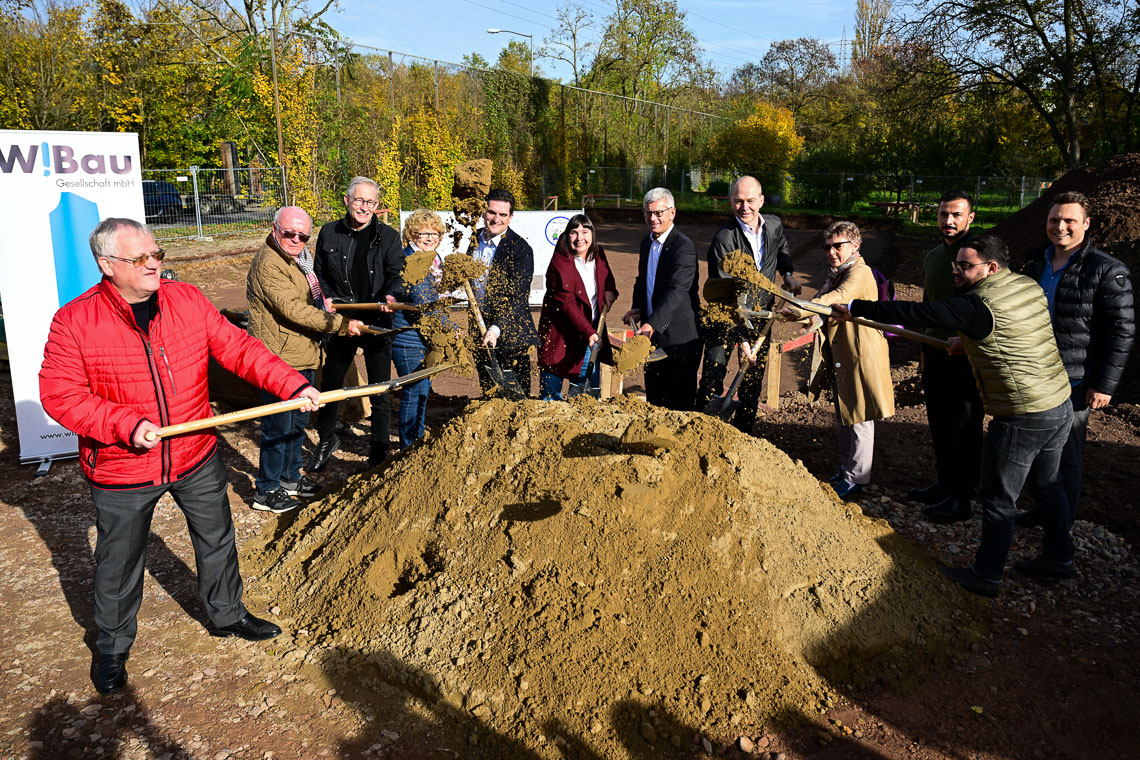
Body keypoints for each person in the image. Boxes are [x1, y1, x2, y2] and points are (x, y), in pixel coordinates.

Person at [39, 218, 322, 695]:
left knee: (216, 539)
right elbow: (61, 396)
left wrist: (290, 384)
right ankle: (111, 645)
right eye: (140, 258)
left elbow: (238, 349)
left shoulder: (186, 300)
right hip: (124, 467)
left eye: (157, 254)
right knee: (120, 560)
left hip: (195, 454)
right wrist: (124, 425)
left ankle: (227, 615)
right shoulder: (75, 322)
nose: (154, 264)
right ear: (107, 266)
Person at [833, 235, 1075, 598]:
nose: (956, 272)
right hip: (1058, 403)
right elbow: (1019, 328)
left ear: (991, 268)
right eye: (955, 264)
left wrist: (854, 306)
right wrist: (972, 341)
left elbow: (918, 313)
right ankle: (1060, 557)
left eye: (965, 266)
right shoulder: (1024, 284)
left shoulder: (975, 304)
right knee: (1048, 486)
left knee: (997, 499)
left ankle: (987, 575)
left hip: (1021, 414)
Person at [1018, 191, 1134, 527]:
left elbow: (1121, 333)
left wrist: (1104, 384)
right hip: (1035, 375)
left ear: (1086, 224)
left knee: (1066, 457)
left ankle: (1060, 529)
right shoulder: (1036, 262)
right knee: (1039, 451)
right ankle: (1044, 512)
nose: (1061, 227)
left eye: (1069, 220)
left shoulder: (1107, 270)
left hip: (1075, 381)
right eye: (1055, 220)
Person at [246, 206, 364, 513]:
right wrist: (338, 324)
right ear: (274, 229)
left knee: (297, 422)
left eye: (303, 235)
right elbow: (293, 310)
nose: (296, 239)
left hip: (302, 353)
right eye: (289, 233)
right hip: (279, 358)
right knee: (277, 426)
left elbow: (310, 298)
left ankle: (289, 478)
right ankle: (266, 490)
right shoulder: (270, 264)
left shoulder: (298, 260)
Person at [777, 222, 894, 500]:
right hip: (845, 353)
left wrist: (800, 309)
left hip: (862, 354)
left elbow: (837, 299)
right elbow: (822, 300)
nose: (831, 252)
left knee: (861, 416)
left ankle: (857, 479)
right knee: (846, 413)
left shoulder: (859, 273)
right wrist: (804, 314)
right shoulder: (837, 274)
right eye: (827, 246)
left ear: (855, 246)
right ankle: (847, 470)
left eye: (837, 246)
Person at [308, 176, 404, 470]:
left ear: (377, 206)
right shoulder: (329, 233)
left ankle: (378, 449)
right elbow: (319, 275)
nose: (364, 207)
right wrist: (324, 300)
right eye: (359, 200)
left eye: (371, 202)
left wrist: (391, 294)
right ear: (347, 200)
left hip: (377, 320)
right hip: (342, 319)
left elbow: (396, 272)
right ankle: (326, 439)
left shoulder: (388, 237)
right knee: (333, 383)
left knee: (379, 388)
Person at [696, 175, 799, 431]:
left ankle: (745, 434)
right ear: (731, 202)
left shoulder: (774, 225)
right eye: (738, 201)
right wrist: (742, 339)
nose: (745, 208)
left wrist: (788, 274)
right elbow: (724, 294)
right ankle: (703, 432)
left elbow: (782, 246)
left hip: (761, 315)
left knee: (752, 381)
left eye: (751, 201)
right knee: (712, 377)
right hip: (726, 317)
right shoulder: (724, 239)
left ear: (761, 200)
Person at [908, 190, 985, 523]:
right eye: (943, 214)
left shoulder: (980, 258)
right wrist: (925, 349)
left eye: (956, 215)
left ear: (970, 218)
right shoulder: (933, 258)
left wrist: (969, 342)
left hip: (967, 355)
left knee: (965, 424)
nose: (949, 221)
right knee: (939, 420)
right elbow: (928, 306)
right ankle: (945, 482)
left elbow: (987, 308)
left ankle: (963, 495)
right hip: (937, 351)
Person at [623, 187, 702, 410]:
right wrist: (637, 306)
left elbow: (677, 291)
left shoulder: (683, 247)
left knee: (679, 404)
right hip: (654, 339)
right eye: (648, 213)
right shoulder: (646, 243)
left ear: (672, 213)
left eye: (659, 213)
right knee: (655, 400)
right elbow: (643, 279)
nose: (653, 218)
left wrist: (650, 325)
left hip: (680, 339)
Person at [537, 214, 618, 399]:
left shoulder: (599, 254)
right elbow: (567, 304)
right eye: (574, 232)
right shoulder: (559, 263)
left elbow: (607, 278)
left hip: (589, 337)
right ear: (567, 236)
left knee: (587, 399)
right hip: (560, 336)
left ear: (592, 234)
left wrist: (609, 290)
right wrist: (589, 332)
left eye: (584, 231)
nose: (579, 237)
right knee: (550, 397)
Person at [473, 188, 540, 396]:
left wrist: (496, 328)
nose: (496, 219)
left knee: (517, 399)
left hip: (510, 335)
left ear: (510, 218)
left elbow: (517, 298)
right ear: (484, 213)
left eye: (503, 215)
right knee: (489, 393)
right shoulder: (474, 240)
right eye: (492, 212)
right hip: (480, 329)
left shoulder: (520, 249)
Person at [392, 210, 447, 447]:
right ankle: (408, 445)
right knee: (415, 390)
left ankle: (418, 438)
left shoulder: (434, 259)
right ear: (412, 234)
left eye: (434, 233)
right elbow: (422, 299)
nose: (430, 237)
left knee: (424, 389)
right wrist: (451, 329)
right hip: (408, 336)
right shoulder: (410, 260)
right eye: (423, 233)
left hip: (427, 335)